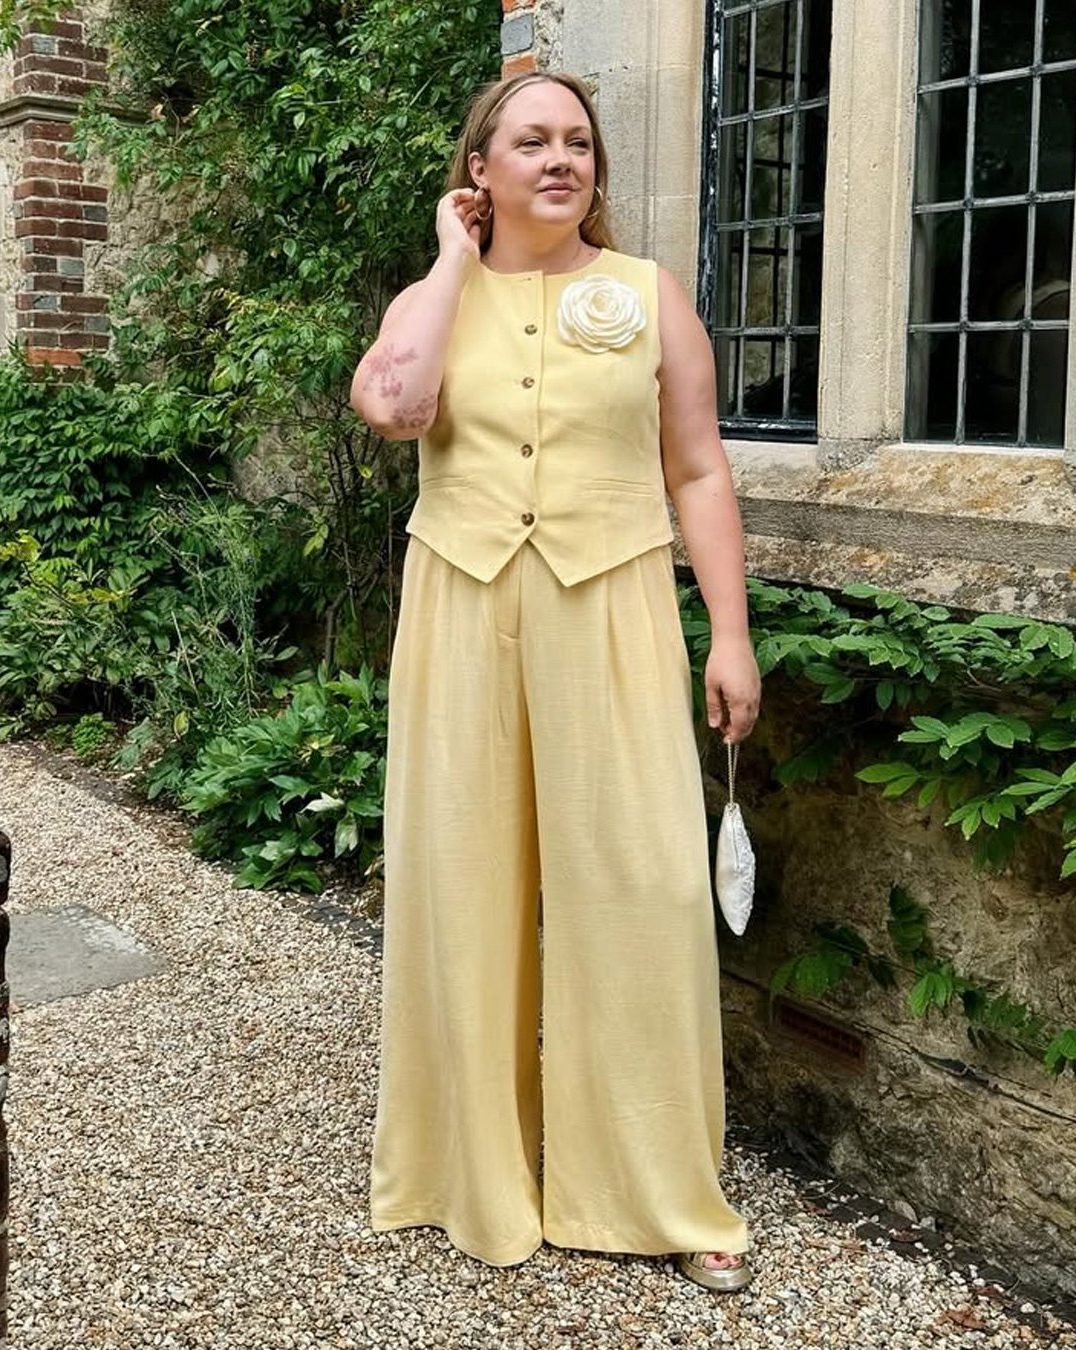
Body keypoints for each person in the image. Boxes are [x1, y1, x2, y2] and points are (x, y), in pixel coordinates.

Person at [350, 71, 760, 1294]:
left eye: (578, 140)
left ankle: (663, 1191)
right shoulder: (438, 298)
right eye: (531, 140)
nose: (560, 158)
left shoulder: (646, 296)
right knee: (462, 882)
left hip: (614, 608)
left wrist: (728, 635)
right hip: (463, 607)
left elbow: (698, 472)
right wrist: (446, 258)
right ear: (481, 167)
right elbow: (394, 405)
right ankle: (470, 1173)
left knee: (644, 888)